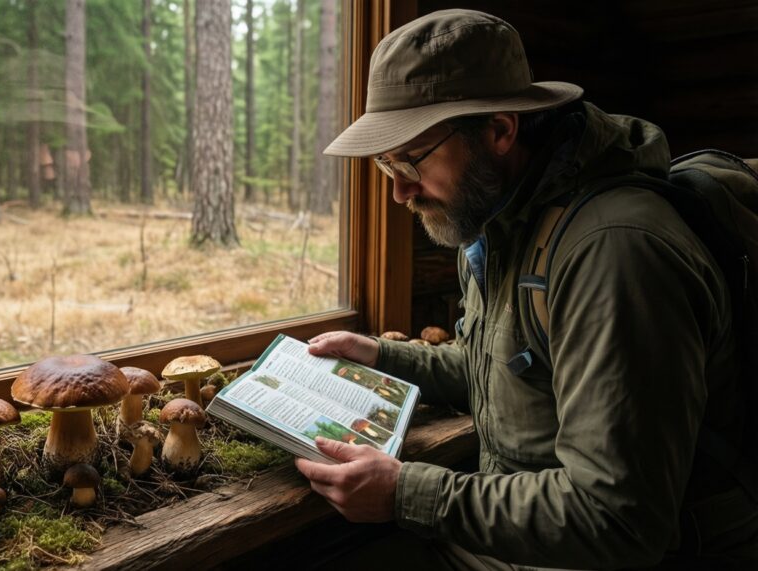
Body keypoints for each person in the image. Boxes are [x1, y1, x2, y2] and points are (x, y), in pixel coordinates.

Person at [295, 8, 757, 570]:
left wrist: (404, 493)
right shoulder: (499, 225)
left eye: (412, 159)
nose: (399, 192)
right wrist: (380, 355)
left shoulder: (612, 252)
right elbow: (507, 368)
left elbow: (616, 517)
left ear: (500, 129)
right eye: (385, 164)